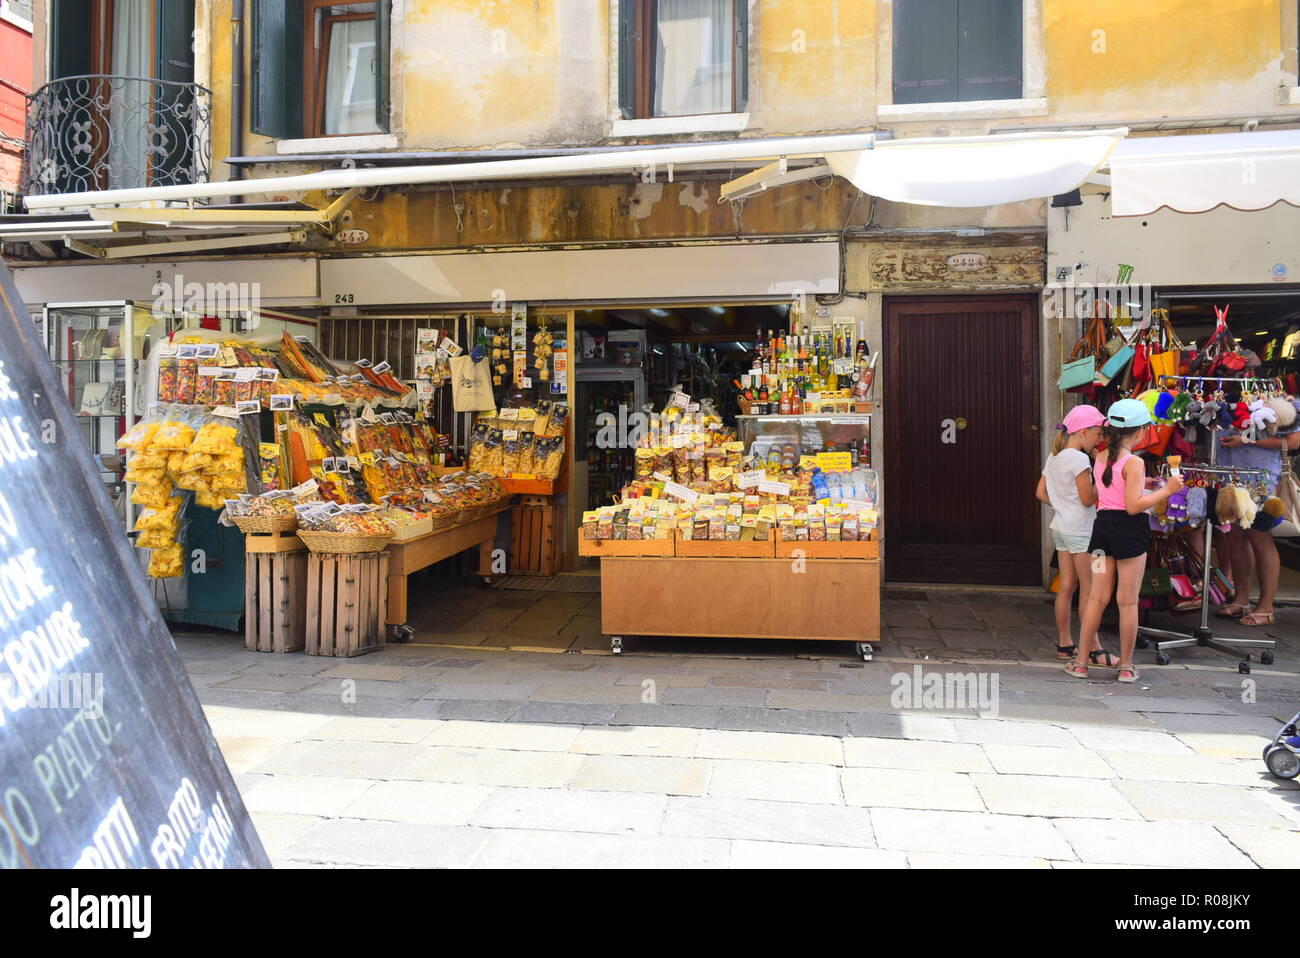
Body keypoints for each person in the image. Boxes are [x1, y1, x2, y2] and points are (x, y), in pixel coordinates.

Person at [1069, 399, 1184, 683]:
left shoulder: (1101, 456)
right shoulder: (1135, 462)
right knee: (1128, 601)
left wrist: (1145, 484)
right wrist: (1168, 489)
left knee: (1097, 596)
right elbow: (1133, 506)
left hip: (1102, 532)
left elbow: (1111, 486)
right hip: (1129, 532)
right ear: (1141, 431)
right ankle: (1126, 667)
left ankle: (1081, 662)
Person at [1214, 395, 1300, 627]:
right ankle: (1241, 599)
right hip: (1228, 473)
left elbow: (1292, 441)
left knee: (1260, 537)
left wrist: (1246, 440)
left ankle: (1266, 607)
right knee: (1235, 537)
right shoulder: (1222, 397)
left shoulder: (1281, 404)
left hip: (1260, 478)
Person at [1036, 404, 1108, 662]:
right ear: (1083, 432)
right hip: (1084, 531)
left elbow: (1040, 493)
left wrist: (1062, 506)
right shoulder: (1080, 459)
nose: (1100, 439)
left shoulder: (1053, 456)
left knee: (1066, 587)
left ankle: (1065, 643)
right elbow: (1088, 499)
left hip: (1062, 529)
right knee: (1090, 589)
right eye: (1098, 433)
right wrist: (1103, 483)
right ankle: (1093, 646)